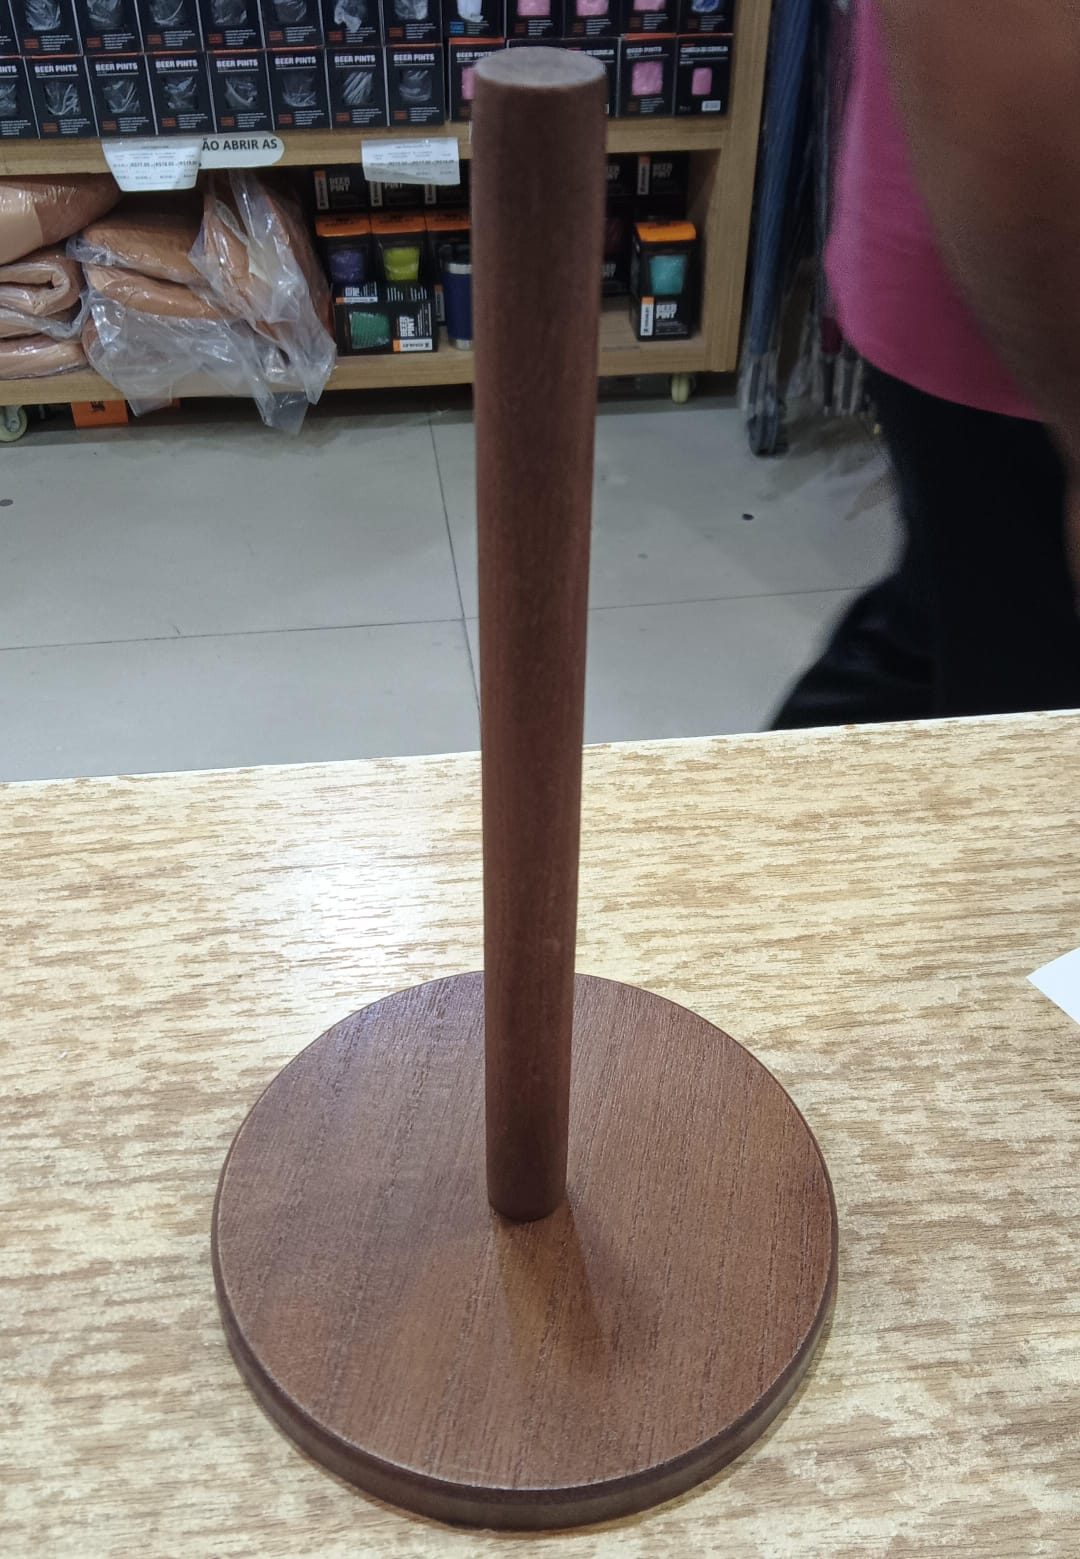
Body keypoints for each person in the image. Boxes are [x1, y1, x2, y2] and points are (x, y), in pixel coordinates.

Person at [772, 0, 1080, 727]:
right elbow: (995, 39)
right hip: (1021, 310)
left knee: (946, 641)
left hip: (992, 301)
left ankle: (735, 803)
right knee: (1018, 719)